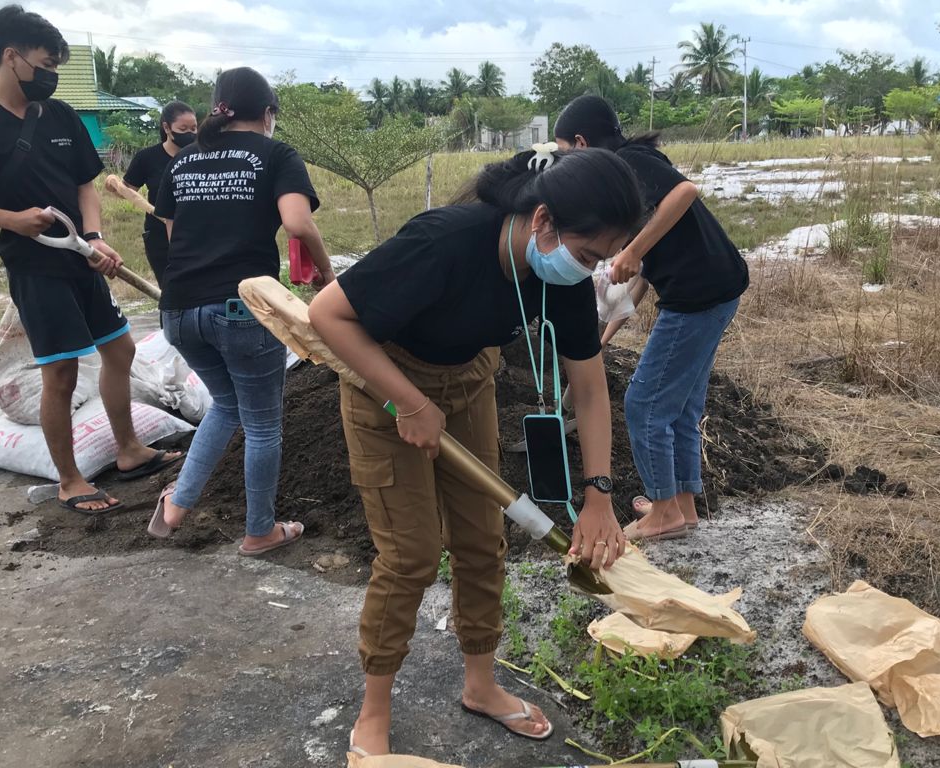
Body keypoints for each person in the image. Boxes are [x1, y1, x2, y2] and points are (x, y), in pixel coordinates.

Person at [307, 147, 644, 755]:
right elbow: (327, 314)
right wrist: (409, 403)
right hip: (384, 386)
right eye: (588, 254)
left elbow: (590, 390)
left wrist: (598, 495)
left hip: (467, 385)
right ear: (543, 221)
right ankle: (373, 709)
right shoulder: (444, 242)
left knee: (482, 542)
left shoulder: (557, 276)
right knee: (410, 556)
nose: (589, 270)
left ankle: (481, 685)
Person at [0, 5, 181, 513]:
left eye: (57, 65)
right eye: (45, 64)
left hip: (81, 257)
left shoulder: (59, 116)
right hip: (35, 268)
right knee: (60, 375)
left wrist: (96, 236)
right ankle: (70, 478)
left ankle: (127, 451)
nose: (51, 76)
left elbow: (85, 181)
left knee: (120, 352)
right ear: (11, 57)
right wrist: (13, 220)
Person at [147, 67, 335, 556]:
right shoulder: (276, 155)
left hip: (178, 309)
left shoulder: (184, 160)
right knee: (263, 424)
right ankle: (260, 531)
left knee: (226, 405)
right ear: (268, 113)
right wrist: (329, 278)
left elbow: (174, 236)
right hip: (241, 310)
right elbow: (298, 223)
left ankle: (176, 506)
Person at [554, 95, 749, 542]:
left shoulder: (629, 162)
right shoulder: (629, 172)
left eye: (565, 152)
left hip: (697, 296)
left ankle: (662, 512)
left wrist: (632, 250)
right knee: (678, 406)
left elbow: (685, 192)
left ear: (582, 143)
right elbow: (638, 281)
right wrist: (603, 335)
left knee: (644, 405)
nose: (567, 163)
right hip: (711, 289)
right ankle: (680, 505)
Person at [123, 100, 197, 285]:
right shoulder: (147, 158)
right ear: (167, 127)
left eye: (194, 128)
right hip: (159, 236)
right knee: (170, 290)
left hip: (196, 233)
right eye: (183, 129)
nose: (190, 133)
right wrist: (116, 187)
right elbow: (127, 190)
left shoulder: (202, 156)